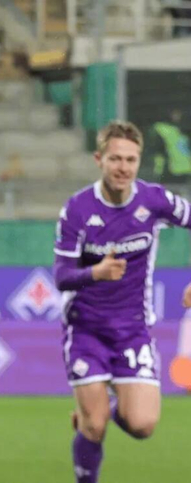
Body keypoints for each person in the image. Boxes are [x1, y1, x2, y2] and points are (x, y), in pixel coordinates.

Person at [53, 120, 191, 483]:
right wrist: (95, 273)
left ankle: (96, 411)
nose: (123, 167)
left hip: (133, 329)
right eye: (115, 158)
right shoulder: (77, 209)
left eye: (131, 160)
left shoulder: (154, 200)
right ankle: (91, 426)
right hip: (86, 329)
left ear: (139, 161)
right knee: (95, 428)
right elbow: (62, 276)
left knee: (143, 425)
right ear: (99, 159)